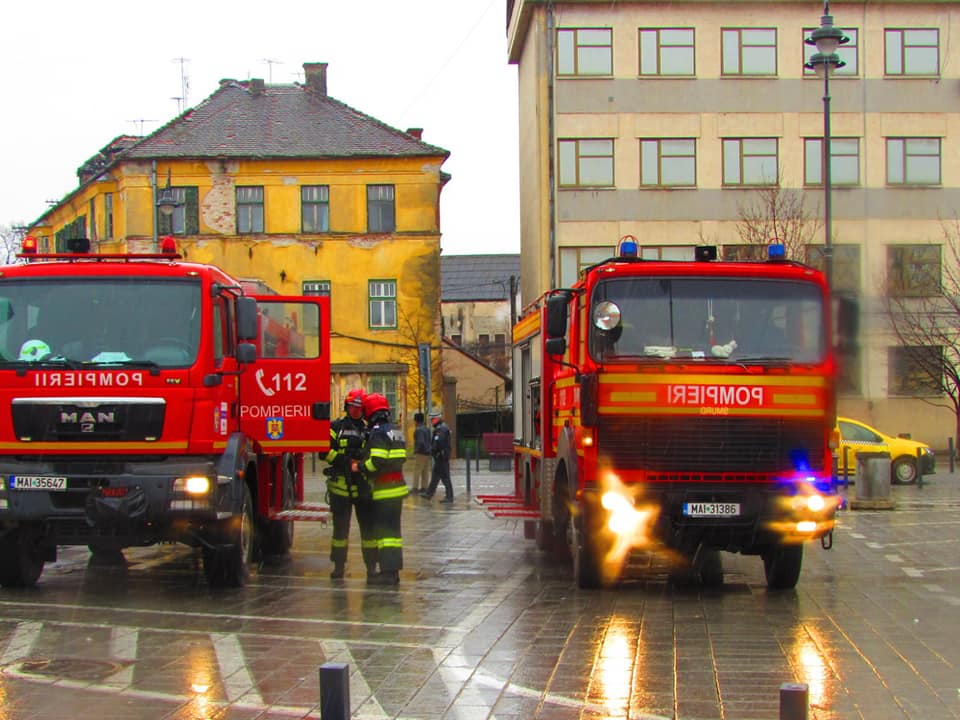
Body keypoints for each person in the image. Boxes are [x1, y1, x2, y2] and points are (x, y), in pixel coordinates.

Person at [323, 388, 377, 580]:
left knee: (368, 530)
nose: (355, 410)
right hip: (340, 488)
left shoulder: (368, 430)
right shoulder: (335, 427)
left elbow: (373, 455)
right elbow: (325, 452)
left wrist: (361, 464)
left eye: (359, 407)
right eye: (353, 406)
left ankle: (371, 567)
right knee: (340, 531)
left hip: (362, 487)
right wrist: (346, 461)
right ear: (347, 406)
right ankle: (338, 567)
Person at [357, 393, 408, 586]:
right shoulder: (396, 431)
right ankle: (393, 572)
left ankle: (387, 574)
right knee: (394, 534)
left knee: (385, 534)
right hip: (397, 488)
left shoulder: (378, 432)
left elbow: (376, 461)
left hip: (384, 489)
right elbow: (400, 458)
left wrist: (360, 467)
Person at [421, 409, 453, 503]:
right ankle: (429, 493)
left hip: (441, 456)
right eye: (431, 420)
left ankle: (449, 496)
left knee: (445, 477)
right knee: (435, 476)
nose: (431, 421)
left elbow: (439, 442)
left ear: (437, 418)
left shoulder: (441, 429)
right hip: (440, 456)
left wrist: (432, 450)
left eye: (433, 419)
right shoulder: (440, 427)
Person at [411, 412, 432, 493]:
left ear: (416, 421)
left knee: (417, 471)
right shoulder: (427, 429)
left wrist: (416, 450)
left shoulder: (418, 430)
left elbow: (420, 442)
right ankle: (424, 487)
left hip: (421, 453)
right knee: (425, 471)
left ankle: (415, 488)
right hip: (427, 452)